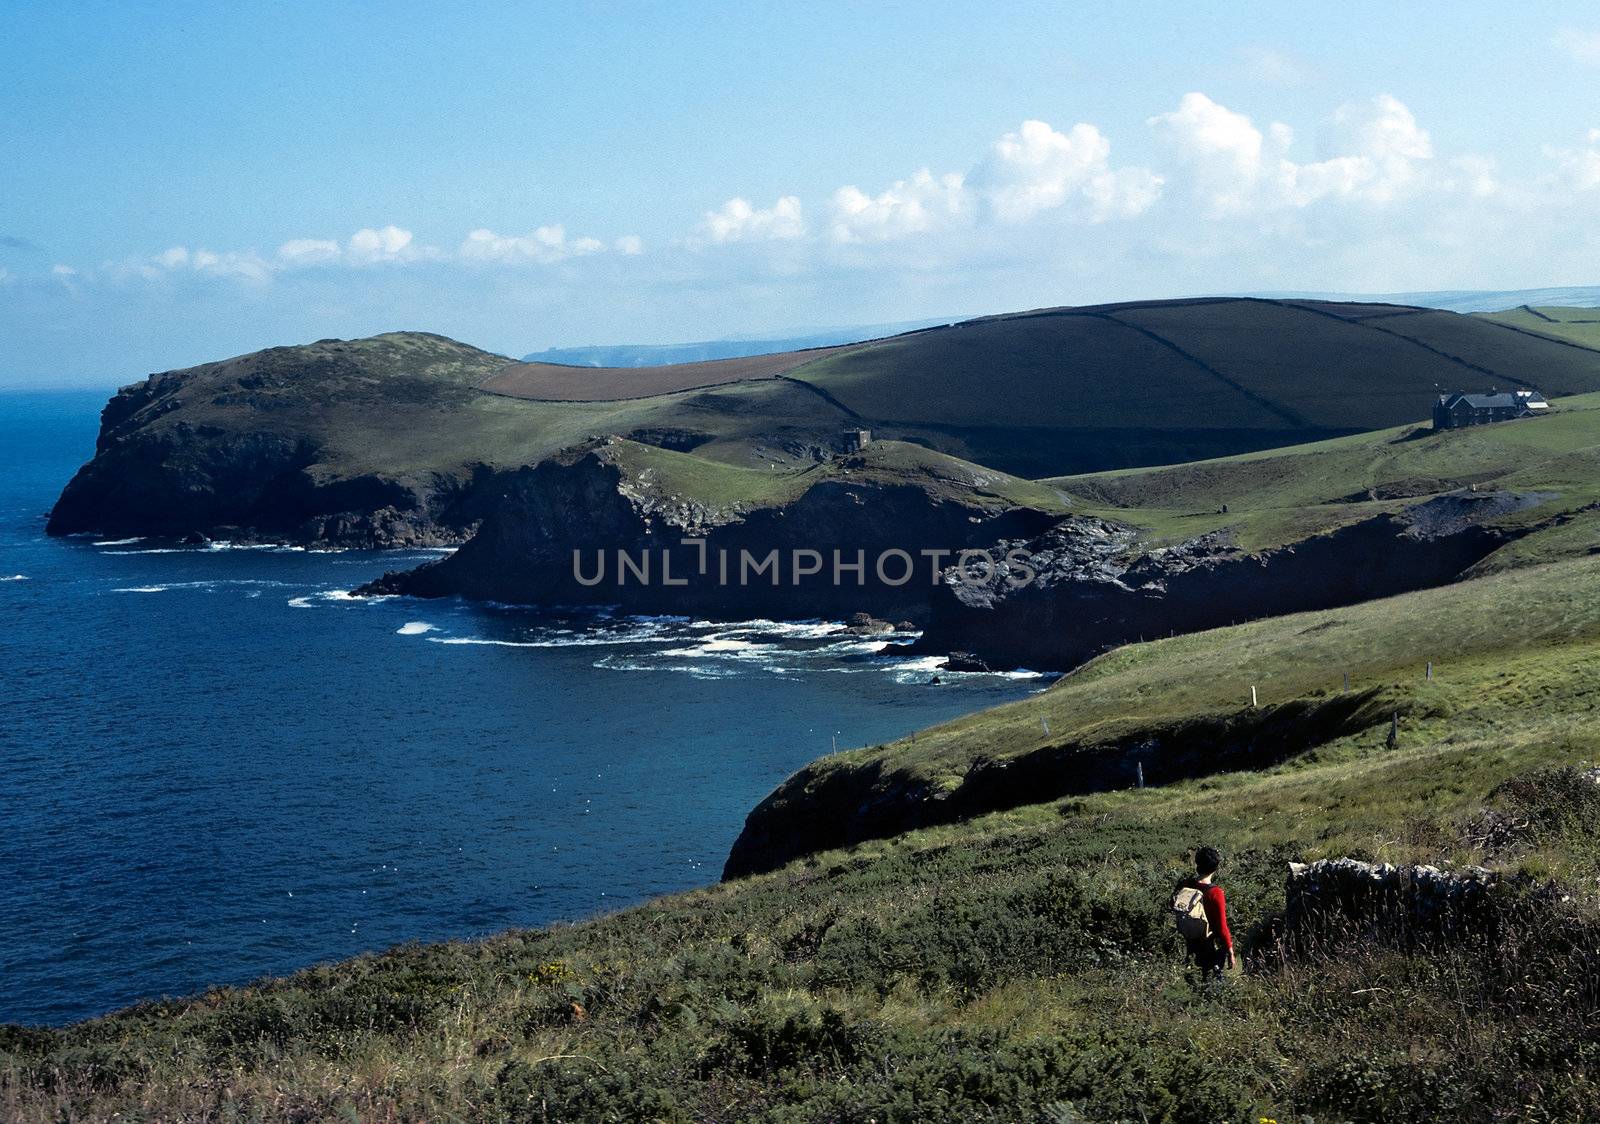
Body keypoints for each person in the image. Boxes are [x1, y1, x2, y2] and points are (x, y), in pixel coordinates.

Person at [1173, 845, 1234, 981]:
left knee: (1192, 977)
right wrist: (1230, 949)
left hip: (1189, 939)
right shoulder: (1215, 893)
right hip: (1209, 944)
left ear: (1197, 864)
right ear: (1216, 868)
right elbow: (1222, 927)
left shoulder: (1186, 884)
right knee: (1212, 981)